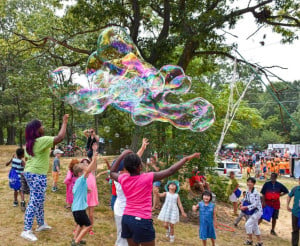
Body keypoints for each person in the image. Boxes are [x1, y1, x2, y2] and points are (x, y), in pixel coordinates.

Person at [110, 149, 200, 246]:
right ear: (140, 167)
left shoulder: (123, 179)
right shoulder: (147, 177)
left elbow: (112, 172)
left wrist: (122, 155)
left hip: (127, 219)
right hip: (142, 221)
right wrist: (186, 158)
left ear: (126, 168)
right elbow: (171, 170)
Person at [21, 114, 69, 242]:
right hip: (37, 174)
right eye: (41, 126)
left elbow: (27, 159)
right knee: (34, 201)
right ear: (36, 130)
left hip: (31, 173)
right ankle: (26, 230)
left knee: (39, 199)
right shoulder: (41, 141)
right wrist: (64, 122)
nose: (43, 127)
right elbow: (60, 137)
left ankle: (41, 224)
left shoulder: (29, 144)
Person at [71, 143, 98, 246]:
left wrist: (86, 190)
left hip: (75, 210)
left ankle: (75, 239)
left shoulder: (77, 182)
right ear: (79, 174)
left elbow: (75, 192)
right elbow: (89, 169)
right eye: (84, 171)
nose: (86, 171)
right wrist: (94, 159)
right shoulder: (82, 179)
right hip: (80, 210)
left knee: (80, 224)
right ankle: (76, 242)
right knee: (87, 226)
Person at [240, 177, 263, 246]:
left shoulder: (256, 193)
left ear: (254, 184)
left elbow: (255, 204)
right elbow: (245, 199)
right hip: (251, 211)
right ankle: (260, 242)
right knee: (255, 226)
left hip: (257, 211)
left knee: (247, 224)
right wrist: (241, 204)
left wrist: (246, 207)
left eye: (251, 182)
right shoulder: (247, 191)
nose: (249, 183)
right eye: (248, 182)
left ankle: (250, 240)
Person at [80, 156, 99, 235]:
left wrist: (94, 155)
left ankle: (90, 228)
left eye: (87, 163)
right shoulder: (81, 174)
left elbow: (94, 165)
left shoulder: (92, 172)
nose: (86, 164)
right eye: (83, 163)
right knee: (82, 214)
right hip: (84, 196)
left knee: (91, 214)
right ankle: (80, 228)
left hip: (92, 196)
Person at [113, 159, 128, 246]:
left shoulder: (117, 176)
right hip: (122, 211)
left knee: (123, 235)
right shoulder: (120, 178)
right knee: (122, 236)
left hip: (122, 210)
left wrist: (142, 149)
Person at [287, 177, 300, 246]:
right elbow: (289, 196)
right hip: (295, 213)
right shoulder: (296, 189)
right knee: (295, 230)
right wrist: (287, 205)